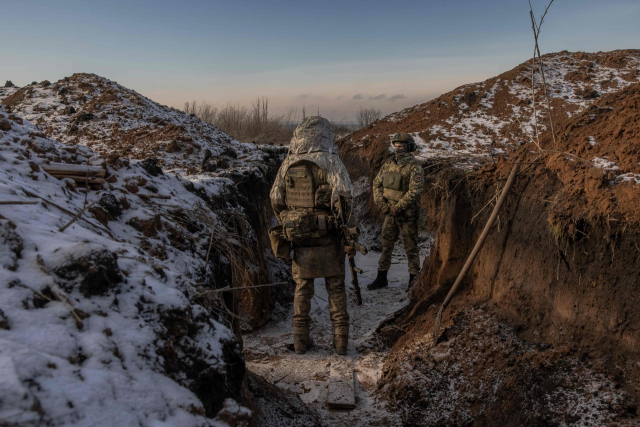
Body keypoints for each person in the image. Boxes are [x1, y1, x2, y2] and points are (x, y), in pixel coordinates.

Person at [269, 116, 357, 355]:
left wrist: (291, 224)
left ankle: (300, 341)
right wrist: (349, 234)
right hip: (329, 239)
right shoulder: (332, 161)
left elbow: (276, 200)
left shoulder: (288, 163)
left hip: (301, 240)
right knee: (336, 289)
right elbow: (345, 199)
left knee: (302, 290)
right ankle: (340, 344)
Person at [367, 133, 424, 290]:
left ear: (409, 147)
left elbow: (414, 192)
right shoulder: (388, 164)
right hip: (390, 215)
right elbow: (376, 184)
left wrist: (396, 208)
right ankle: (381, 278)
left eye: (402, 146)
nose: (398, 149)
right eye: (396, 146)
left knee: (411, 248)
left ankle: (414, 282)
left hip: (407, 216)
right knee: (386, 246)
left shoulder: (415, 167)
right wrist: (382, 205)